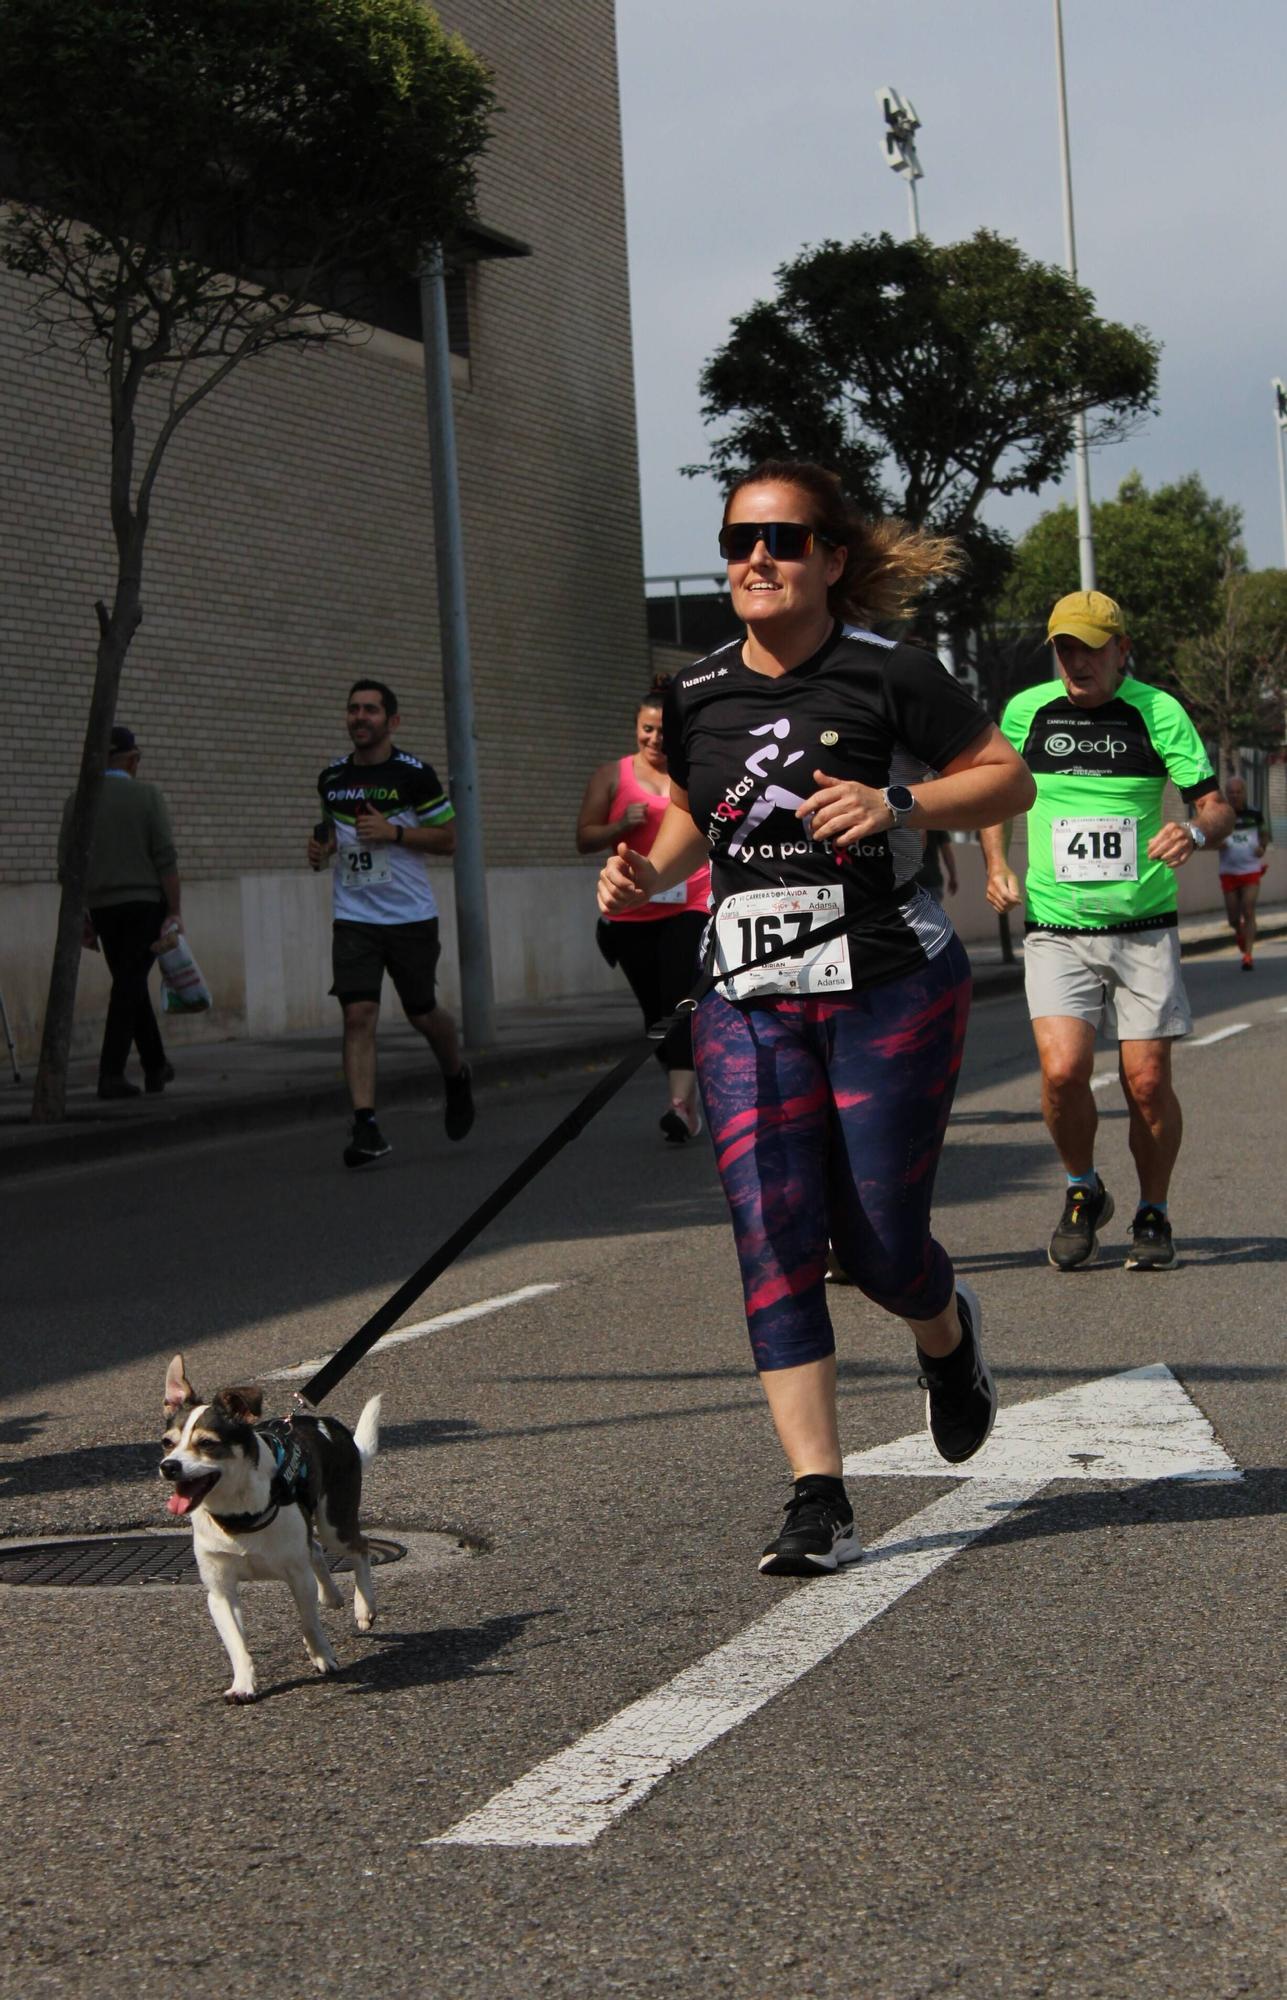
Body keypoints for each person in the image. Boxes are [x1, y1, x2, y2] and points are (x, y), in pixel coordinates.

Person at [598, 459, 1035, 1578]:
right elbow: (700, 812)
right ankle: (819, 1497)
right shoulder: (695, 690)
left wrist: (899, 801)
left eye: (784, 539)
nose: (756, 557)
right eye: (741, 537)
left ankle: (948, 1334)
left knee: (882, 1250)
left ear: (832, 560)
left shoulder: (892, 672)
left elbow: (1005, 777)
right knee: (775, 1232)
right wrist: (648, 875)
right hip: (748, 997)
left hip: (889, 982)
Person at [981, 590, 1234, 1274]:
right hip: (1055, 926)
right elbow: (992, 791)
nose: (1075, 662)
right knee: (1062, 1073)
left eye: (1089, 648)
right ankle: (1080, 1190)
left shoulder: (1157, 712)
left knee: (1144, 1082)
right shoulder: (1026, 710)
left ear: (1121, 650)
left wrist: (1190, 829)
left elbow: (1214, 807)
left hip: (1142, 928)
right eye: (1064, 648)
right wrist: (997, 861)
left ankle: (1152, 1211)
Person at [308, 680, 474, 1168]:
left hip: (409, 916)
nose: (361, 717)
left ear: (392, 721)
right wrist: (321, 848)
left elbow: (448, 840)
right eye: (354, 709)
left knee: (423, 1014)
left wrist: (394, 832)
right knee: (358, 1015)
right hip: (354, 915)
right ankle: (366, 1126)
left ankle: (456, 1074)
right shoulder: (332, 777)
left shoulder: (414, 775)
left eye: (371, 710)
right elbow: (333, 833)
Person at [575, 675, 712, 1142]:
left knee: (679, 997)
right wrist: (619, 823)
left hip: (689, 900)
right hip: (634, 911)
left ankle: (680, 1106)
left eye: (662, 730)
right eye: (646, 729)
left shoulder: (694, 771)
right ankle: (685, 1076)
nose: (654, 739)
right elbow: (583, 838)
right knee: (656, 1017)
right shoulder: (613, 776)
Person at [58, 724, 181, 1100]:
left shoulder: (77, 800)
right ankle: (111, 1073)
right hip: (145, 905)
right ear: (131, 759)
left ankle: (156, 1064)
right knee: (129, 984)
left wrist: (81, 916)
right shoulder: (147, 796)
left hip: (103, 908)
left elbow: (68, 865)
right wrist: (174, 911)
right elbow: (165, 859)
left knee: (130, 982)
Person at [1216, 773, 1270, 970]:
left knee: (1248, 909)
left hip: (1250, 869)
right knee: (1232, 917)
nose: (1235, 795)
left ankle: (1248, 955)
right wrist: (1218, 844)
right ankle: (1239, 932)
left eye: (1239, 792)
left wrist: (1262, 848)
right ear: (1226, 794)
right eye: (1231, 792)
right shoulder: (1221, 814)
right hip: (1228, 871)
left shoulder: (1255, 813)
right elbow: (1212, 838)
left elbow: (1264, 834)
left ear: (1244, 793)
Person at [915, 827, 959, 904]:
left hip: (915, 881)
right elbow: (947, 852)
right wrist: (953, 877)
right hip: (931, 881)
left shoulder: (902, 818)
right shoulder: (935, 821)